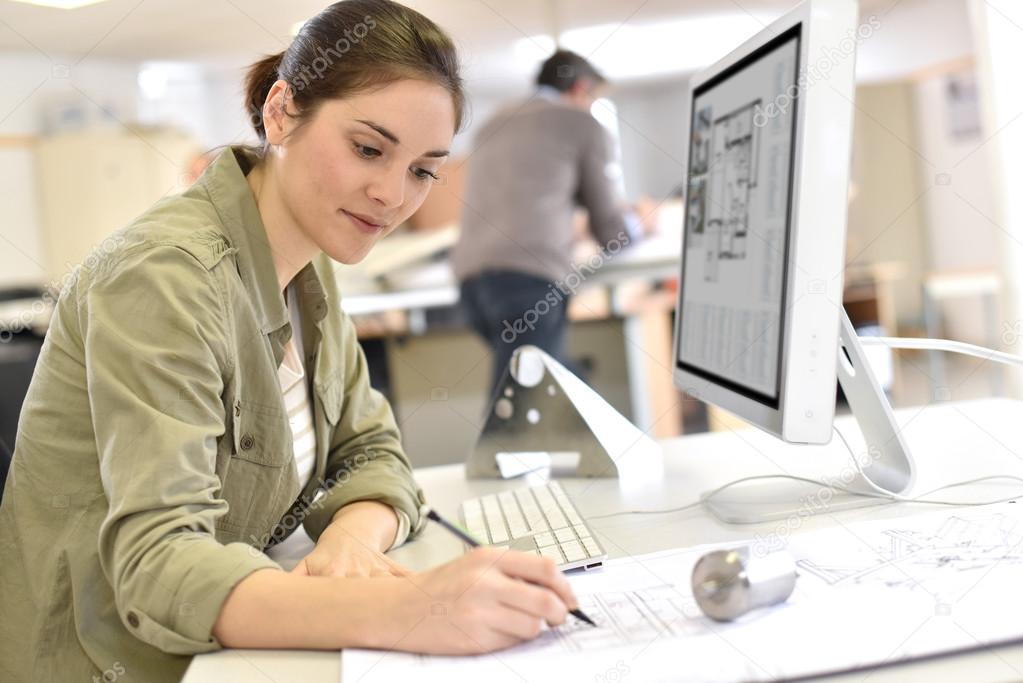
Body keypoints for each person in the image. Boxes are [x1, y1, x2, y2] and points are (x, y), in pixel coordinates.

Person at [0, 3, 578, 682]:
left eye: (423, 171)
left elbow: (372, 450)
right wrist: (410, 609)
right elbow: (158, 566)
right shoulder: (163, 275)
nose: (392, 194)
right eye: (368, 149)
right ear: (280, 113)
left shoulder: (309, 263)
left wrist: (351, 539)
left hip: (234, 647)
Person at [451, 49, 654, 396]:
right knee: (519, 402)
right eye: (593, 99)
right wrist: (643, 223)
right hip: (527, 285)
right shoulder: (581, 123)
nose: (591, 107)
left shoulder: (493, 122)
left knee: (554, 383)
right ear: (581, 88)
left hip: (470, 285)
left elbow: (520, 202)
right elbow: (611, 231)